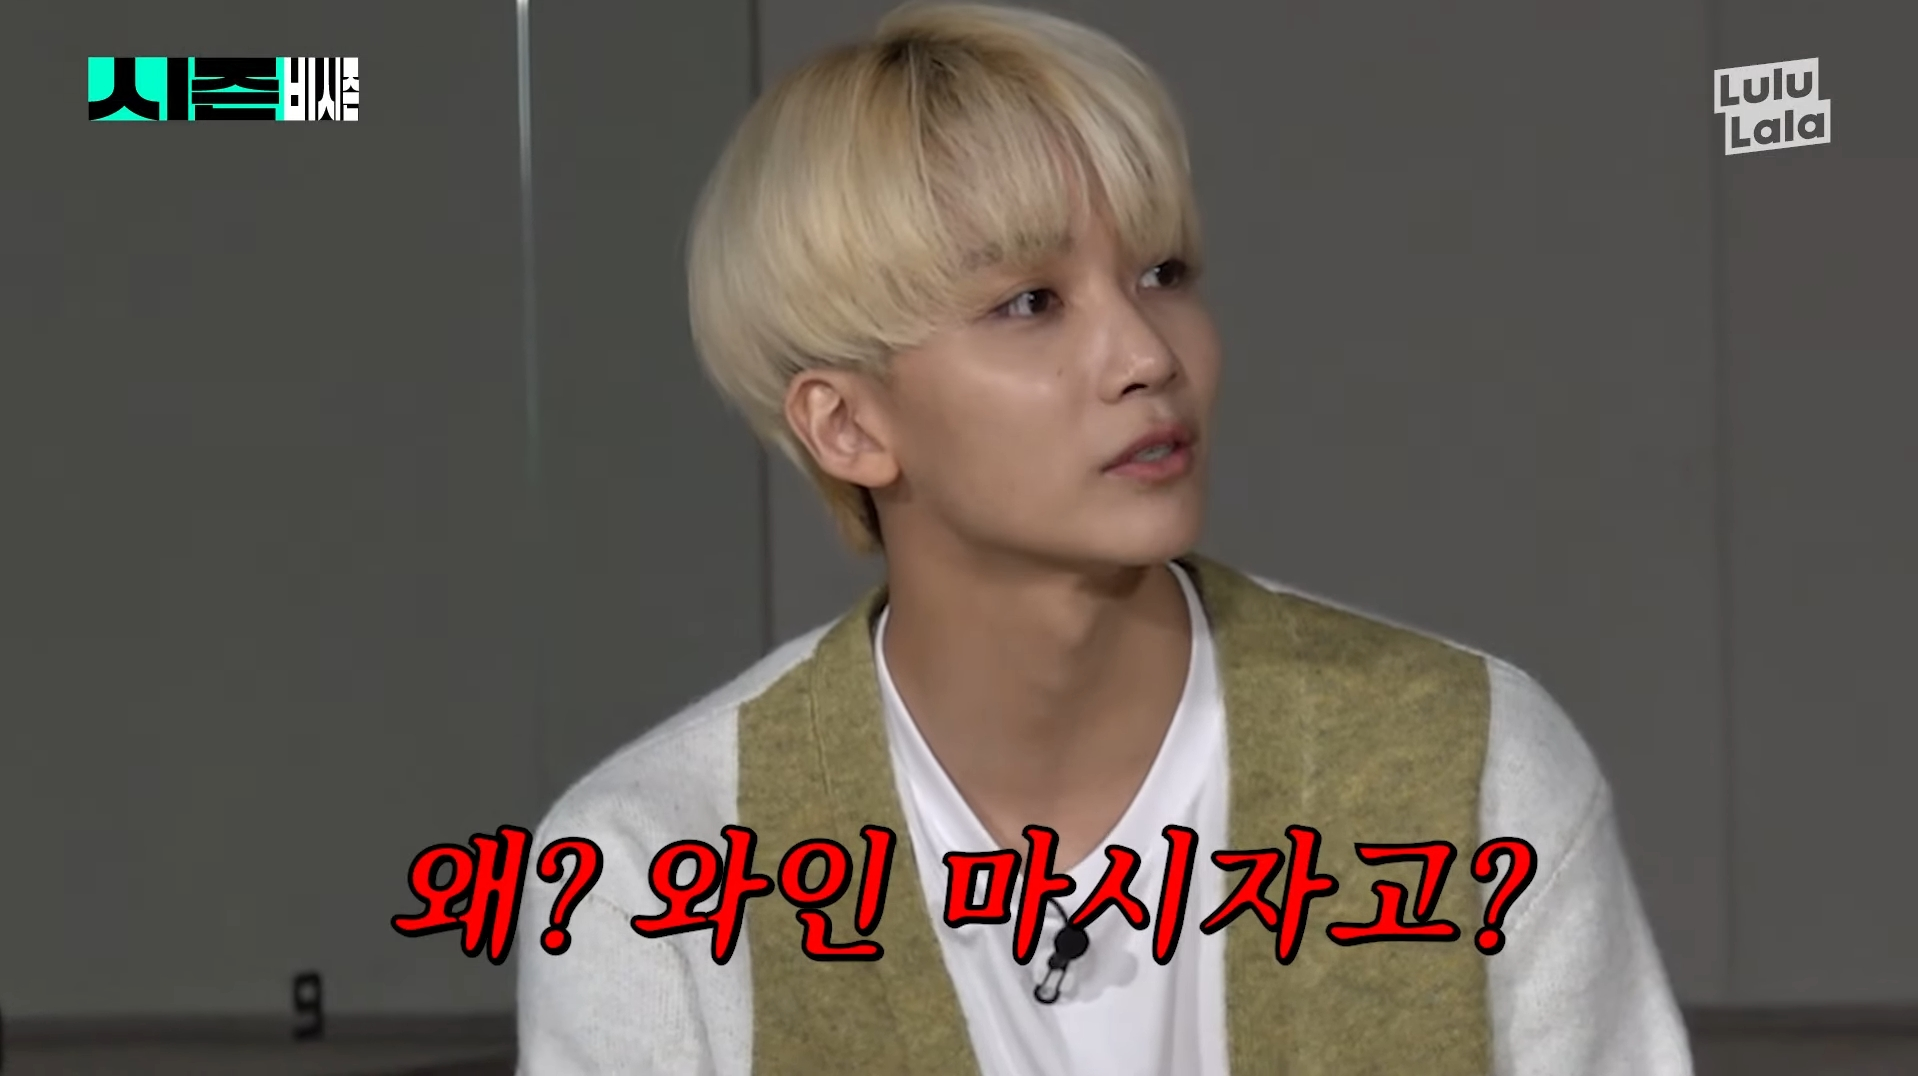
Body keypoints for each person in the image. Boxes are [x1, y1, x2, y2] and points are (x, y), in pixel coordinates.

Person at [515, 3, 1693, 1073]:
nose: (1147, 354)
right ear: (848, 424)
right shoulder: (647, 872)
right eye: (1029, 302)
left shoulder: (1470, 765)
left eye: (1161, 272)